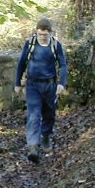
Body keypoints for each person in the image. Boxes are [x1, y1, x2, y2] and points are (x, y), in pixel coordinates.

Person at [14, 17, 68, 164]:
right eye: (40, 34)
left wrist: (62, 83)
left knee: (49, 113)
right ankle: (33, 146)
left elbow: (63, 65)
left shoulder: (55, 45)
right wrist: (17, 82)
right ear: (36, 33)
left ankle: (46, 136)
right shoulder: (30, 44)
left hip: (50, 85)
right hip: (33, 85)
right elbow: (21, 63)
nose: (42, 37)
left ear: (50, 33)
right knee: (34, 115)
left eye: (45, 35)